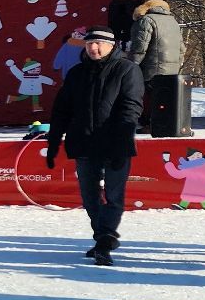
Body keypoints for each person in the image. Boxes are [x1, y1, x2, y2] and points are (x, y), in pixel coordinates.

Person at [46, 26, 144, 266]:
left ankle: (105, 239)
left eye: (99, 43)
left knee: (113, 195)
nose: (93, 48)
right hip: (84, 143)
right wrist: (53, 141)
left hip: (114, 143)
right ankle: (103, 236)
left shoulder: (127, 70)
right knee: (89, 197)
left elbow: (131, 108)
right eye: (90, 44)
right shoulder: (77, 73)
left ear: (112, 46)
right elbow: (62, 110)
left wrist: (122, 140)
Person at [124, 0, 184, 132]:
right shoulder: (173, 21)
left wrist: (131, 67)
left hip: (152, 68)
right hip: (172, 69)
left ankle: (150, 124)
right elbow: (182, 49)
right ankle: (164, 124)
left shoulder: (147, 20)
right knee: (165, 98)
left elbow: (140, 47)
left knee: (151, 97)